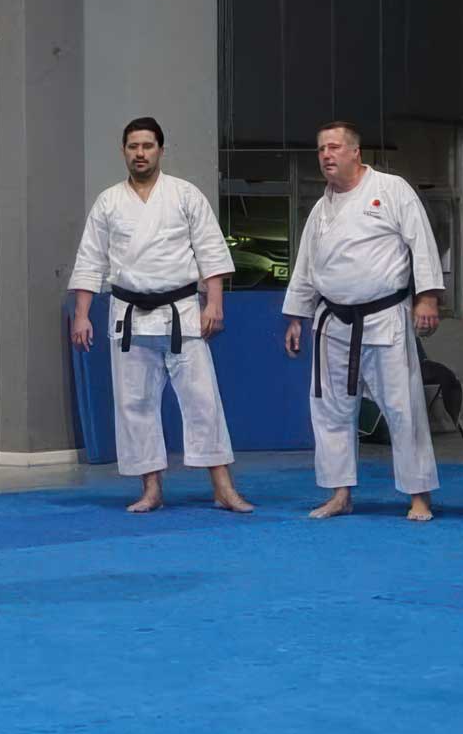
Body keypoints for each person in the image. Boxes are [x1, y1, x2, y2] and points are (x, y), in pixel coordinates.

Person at [69, 117, 253, 514]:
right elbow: (90, 260)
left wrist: (215, 302)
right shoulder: (109, 202)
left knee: (203, 400)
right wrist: (82, 314)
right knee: (134, 403)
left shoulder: (184, 195)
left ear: (161, 150)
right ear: (123, 151)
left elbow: (210, 251)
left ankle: (223, 487)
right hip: (128, 314)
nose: (140, 153)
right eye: (133, 146)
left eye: (147, 146)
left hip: (182, 311)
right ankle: (150, 488)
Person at [282, 122, 443, 521]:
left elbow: (421, 243)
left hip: (383, 316)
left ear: (356, 152)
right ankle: (340, 493)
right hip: (332, 322)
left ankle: (418, 494)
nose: (326, 155)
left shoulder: (391, 190)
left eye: (334, 147)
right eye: (321, 149)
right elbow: (306, 266)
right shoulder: (321, 209)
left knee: (403, 407)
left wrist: (426, 297)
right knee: (330, 409)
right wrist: (297, 317)